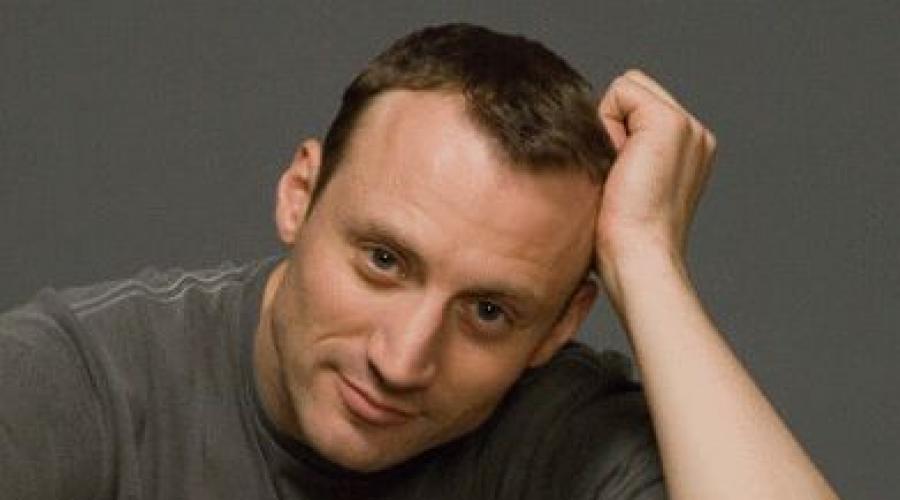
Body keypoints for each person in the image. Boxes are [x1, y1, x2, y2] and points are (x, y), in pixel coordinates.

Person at [0, 23, 837, 500]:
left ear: (559, 326)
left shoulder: (563, 439)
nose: (401, 361)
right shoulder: (75, 384)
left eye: (489, 313)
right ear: (300, 195)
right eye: (383, 260)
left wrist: (649, 264)